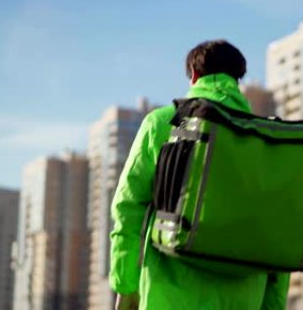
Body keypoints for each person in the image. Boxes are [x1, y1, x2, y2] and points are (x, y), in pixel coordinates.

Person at [109, 40, 290, 310]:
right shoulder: (264, 138)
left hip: (170, 295)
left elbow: (129, 205)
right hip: (244, 297)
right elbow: (280, 232)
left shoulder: (164, 122)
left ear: (194, 76)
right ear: (237, 78)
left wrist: (125, 284)